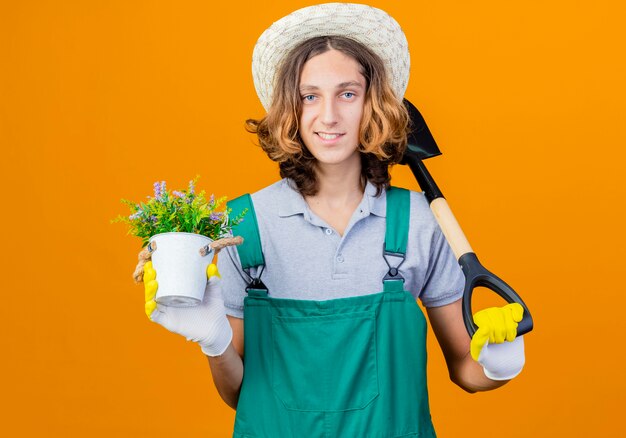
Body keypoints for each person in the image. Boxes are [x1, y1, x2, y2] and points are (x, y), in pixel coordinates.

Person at [136, 4, 526, 437]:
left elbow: (467, 372)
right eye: (310, 95)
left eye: (347, 93)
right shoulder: (242, 226)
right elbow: (238, 393)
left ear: (372, 103)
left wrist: (500, 359)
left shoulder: (416, 220)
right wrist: (214, 342)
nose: (328, 116)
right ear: (291, 108)